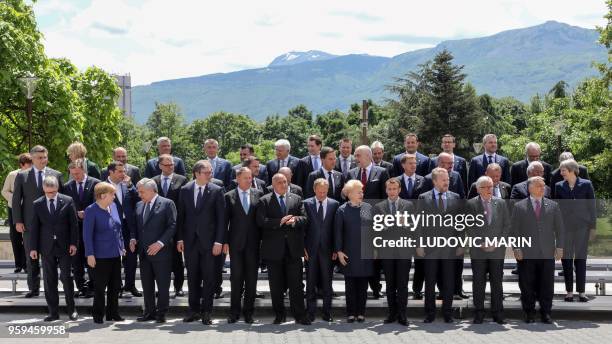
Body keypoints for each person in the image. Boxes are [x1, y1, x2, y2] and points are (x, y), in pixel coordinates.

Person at [256, 173, 310, 325]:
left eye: (285, 182)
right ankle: (279, 315)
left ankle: (300, 315)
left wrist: (294, 220)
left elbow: (305, 218)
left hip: (293, 249)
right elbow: (261, 221)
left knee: (296, 284)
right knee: (276, 285)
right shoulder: (264, 200)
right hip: (273, 250)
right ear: (273, 185)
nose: (283, 185)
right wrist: (279, 221)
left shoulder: (297, 198)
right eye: (280, 182)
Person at [176, 160, 225, 325]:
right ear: (197, 173)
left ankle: (207, 312)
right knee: (192, 277)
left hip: (210, 243)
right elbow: (180, 217)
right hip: (190, 242)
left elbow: (221, 219)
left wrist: (219, 241)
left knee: (209, 277)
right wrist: (180, 238)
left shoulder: (217, 190)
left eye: (210, 172)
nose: (210, 175)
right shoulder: (185, 190)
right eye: (206, 172)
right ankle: (193, 311)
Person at [12, 145, 64, 298]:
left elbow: (63, 199)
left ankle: (51, 288)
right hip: (29, 223)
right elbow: (16, 200)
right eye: (40, 158)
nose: (43, 160)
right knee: (31, 257)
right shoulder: (22, 176)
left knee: (50, 257)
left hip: (51, 224)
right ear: (32, 158)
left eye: (45, 157)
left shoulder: (56, 174)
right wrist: (18, 221)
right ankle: (33, 288)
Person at [512, 176, 565, 324]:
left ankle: (546, 313)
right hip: (526, 253)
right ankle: (529, 313)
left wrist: (560, 247)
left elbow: (560, 229)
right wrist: (516, 248)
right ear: (530, 188)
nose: (543, 188)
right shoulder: (519, 206)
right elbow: (514, 230)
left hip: (547, 252)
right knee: (527, 285)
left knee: (546, 285)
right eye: (539, 186)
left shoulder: (553, 205)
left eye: (544, 185)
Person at [29, 175, 79, 321]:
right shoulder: (37, 204)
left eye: (53, 192)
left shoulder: (68, 201)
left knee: (67, 278)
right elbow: (34, 228)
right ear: (44, 189)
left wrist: (73, 243)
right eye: (48, 192)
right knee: (49, 280)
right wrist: (33, 248)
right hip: (46, 247)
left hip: (64, 246)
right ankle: (53, 312)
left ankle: (72, 310)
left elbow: (74, 225)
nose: (51, 194)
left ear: (57, 188)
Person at [417, 168, 462, 323]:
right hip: (430, 247)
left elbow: (460, 224)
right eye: (443, 180)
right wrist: (420, 244)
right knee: (429, 282)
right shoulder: (423, 198)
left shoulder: (455, 197)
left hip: (449, 247)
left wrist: (461, 243)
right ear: (435, 181)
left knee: (449, 282)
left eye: (448, 180)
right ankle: (430, 313)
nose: (447, 182)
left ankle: (447, 313)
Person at [131, 178, 177, 323]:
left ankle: (161, 313)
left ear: (151, 190)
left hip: (161, 252)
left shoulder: (167, 203)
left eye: (142, 192)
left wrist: (160, 243)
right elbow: (137, 227)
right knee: (147, 284)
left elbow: (172, 225)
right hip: (144, 253)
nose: (139, 195)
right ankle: (149, 312)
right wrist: (133, 238)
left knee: (163, 285)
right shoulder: (139, 205)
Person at [466, 176, 510, 324]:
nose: (488, 189)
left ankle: (498, 313)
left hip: (497, 250)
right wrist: (480, 242)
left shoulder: (501, 203)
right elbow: (469, 226)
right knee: (478, 282)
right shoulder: (470, 204)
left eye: (490, 186)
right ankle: (479, 313)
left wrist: (497, 242)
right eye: (484, 187)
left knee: (497, 282)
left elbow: (506, 225)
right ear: (478, 189)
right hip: (478, 250)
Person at [347, 145, 389, 298]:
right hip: (355, 223)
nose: (355, 158)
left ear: (368, 156)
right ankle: (361, 290)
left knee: (374, 258)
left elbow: (385, 199)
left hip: (374, 223)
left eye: (358, 155)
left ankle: (376, 288)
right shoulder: (351, 173)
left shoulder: (382, 172)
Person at [224, 167, 263, 324]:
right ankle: (234, 312)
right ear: (237, 179)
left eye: (250, 177)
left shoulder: (259, 194)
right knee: (236, 278)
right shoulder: (228, 196)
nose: (249, 180)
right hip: (236, 245)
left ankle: (249, 313)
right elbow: (224, 222)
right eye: (246, 178)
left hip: (254, 245)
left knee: (251, 280)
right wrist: (225, 241)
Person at [83, 182, 126, 324]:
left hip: (115, 254)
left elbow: (118, 229)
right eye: (112, 194)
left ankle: (113, 313)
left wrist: (122, 246)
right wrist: (90, 254)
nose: (114, 197)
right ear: (102, 196)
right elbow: (87, 234)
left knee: (115, 286)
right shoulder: (91, 210)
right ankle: (98, 315)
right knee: (100, 288)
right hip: (99, 256)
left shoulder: (113, 207)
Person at [555, 159, 597, 303]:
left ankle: (582, 292)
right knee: (566, 260)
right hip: (565, 228)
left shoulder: (586, 184)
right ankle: (569, 292)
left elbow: (592, 207)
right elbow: (557, 209)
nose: (561, 173)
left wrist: (593, 228)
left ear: (572, 170)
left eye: (563, 170)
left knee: (580, 259)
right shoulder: (559, 186)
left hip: (582, 227)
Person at [375, 179, 414, 326]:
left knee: (402, 284)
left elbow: (414, 227)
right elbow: (375, 229)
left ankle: (403, 315)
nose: (392, 191)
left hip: (404, 249)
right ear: (386, 190)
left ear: (399, 190)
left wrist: (406, 224)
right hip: (387, 250)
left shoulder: (408, 205)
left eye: (394, 189)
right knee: (390, 284)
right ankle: (392, 313)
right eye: (389, 189)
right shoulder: (379, 207)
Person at [335, 180, 373, 323]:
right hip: (348, 252)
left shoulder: (368, 208)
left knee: (363, 285)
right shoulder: (342, 210)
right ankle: (351, 313)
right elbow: (338, 232)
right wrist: (339, 251)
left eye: (362, 191)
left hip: (365, 252)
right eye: (359, 192)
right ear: (349, 194)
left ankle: (361, 313)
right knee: (350, 285)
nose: (361, 194)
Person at [152, 154, 188, 298]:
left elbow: (184, 203)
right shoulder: (153, 181)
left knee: (177, 259)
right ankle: (160, 287)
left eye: (172, 164)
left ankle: (178, 287)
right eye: (167, 165)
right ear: (160, 166)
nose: (170, 167)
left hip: (176, 224)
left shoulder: (182, 179)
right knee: (159, 259)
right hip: (158, 226)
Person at [304, 178, 339, 322]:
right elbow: (303, 229)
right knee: (310, 282)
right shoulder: (306, 204)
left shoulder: (334, 204)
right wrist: (303, 248)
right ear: (314, 190)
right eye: (320, 192)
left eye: (325, 192)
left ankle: (327, 312)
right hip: (310, 250)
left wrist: (337, 249)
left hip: (328, 250)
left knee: (327, 282)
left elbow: (337, 229)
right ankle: (310, 312)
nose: (322, 195)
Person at [64, 159, 100, 298]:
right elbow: (65, 207)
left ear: (84, 170)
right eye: (73, 174)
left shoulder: (95, 183)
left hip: (92, 228)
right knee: (76, 260)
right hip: (75, 230)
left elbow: (100, 203)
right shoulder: (67, 186)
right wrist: (75, 214)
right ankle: (81, 286)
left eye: (78, 173)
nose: (75, 177)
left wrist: (88, 213)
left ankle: (93, 286)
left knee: (91, 258)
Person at [106, 161, 141, 297]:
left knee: (131, 257)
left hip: (128, 225)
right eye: (120, 171)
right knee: (115, 258)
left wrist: (131, 186)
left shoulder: (127, 185)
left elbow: (138, 199)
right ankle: (117, 287)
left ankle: (130, 285)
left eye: (124, 171)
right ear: (111, 172)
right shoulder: (103, 186)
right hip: (111, 227)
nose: (123, 174)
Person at [1, 153, 31, 273]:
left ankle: (28, 264)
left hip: (28, 209)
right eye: (27, 166)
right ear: (21, 165)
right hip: (13, 208)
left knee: (28, 236)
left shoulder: (34, 175)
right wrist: (15, 198)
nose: (29, 169)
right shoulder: (12, 175)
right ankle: (19, 264)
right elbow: (4, 191)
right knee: (15, 237)